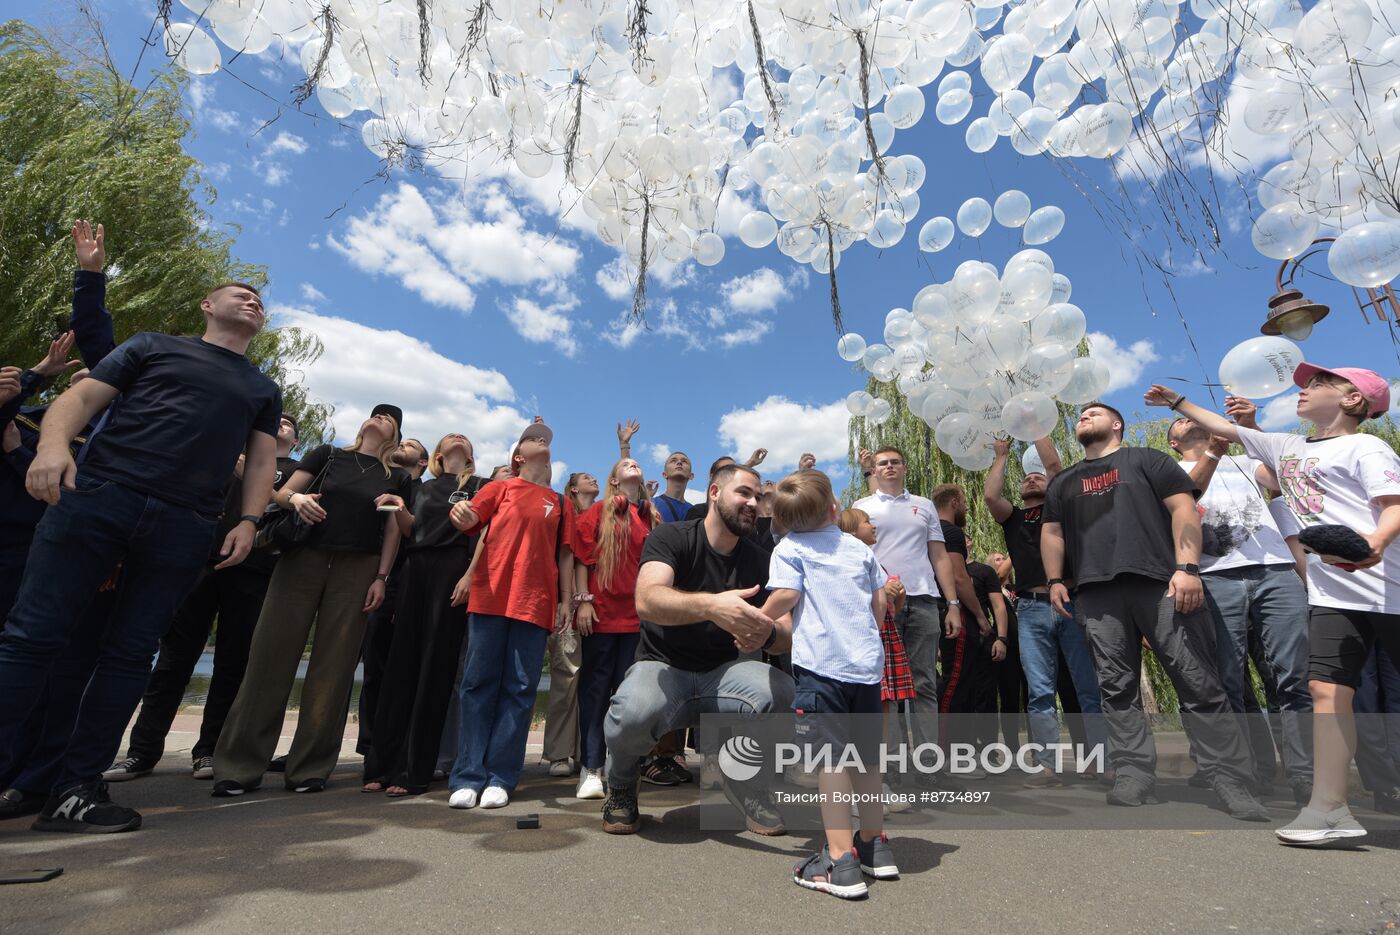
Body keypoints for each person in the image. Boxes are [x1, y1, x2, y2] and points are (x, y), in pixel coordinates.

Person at [0, 279, 281, 833]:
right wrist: (53, 446)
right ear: (206, 305)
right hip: (100, 497)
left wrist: (248, 521)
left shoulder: (262, 387)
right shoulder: (154, 345)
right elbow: (78, 398)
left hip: (185, 523)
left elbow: (259, 463)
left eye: (258, 300)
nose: (252, 301)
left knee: (131, 654)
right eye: (238, 294)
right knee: (31, 637)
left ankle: (76, 791)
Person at [1147, 366, 1400, 845]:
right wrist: (1178, 399)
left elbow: (1391, 505)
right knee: (1324, 693)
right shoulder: (1286, 448)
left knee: (1305, 687)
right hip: (1329, 594)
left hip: (1381, 585)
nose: (1303, 388)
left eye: (1317, 383)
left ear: (1351, 400)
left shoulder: (1366, 447)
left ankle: (1321, 790)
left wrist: (1375, 542)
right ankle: (1327, 806)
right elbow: (1227, 434)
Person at [1040, 402, 1268, 821]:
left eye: (1094, 413)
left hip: (1161, 584)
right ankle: (1133, 772)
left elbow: (1184, 509)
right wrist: (1056, 579)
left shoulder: (1148, 460)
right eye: (1082, 415)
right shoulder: (1065, 482)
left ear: (1116, 423)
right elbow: (1052, 531)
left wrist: (1187, 568)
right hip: (1095, 593)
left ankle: (1229, 778)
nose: (1084, 418)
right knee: (1116, 687)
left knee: (1198, 680)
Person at [212, 405, 414, 796]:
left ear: (394, 437)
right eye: (376, 413)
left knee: (333, 669)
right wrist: (296, 501)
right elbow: (281, 490)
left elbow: (394, 532)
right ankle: (238, 766)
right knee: (269, 657)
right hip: (303, 558)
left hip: (359, 567)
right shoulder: (328, 455)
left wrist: (381, 578)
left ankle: (309, 768)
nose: (380, 418)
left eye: (389, 419)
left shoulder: (397, 477)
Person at [102, 414, 302, 784]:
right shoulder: (226, 455)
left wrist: (259, 482)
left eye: (289, 424)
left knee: (232, 664)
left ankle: (208, 750)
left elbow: (292, 515)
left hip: (254, 570)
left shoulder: (295, 473)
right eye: (278, 419)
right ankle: (141, 752)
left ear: (295, 440)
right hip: (199, 563)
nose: (282, 424)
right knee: (173, 660)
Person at [600, 463, 793, 835]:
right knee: (632, 713)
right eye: (744, 493)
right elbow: (648, 599)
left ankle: (743, 781)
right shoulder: (672, 537)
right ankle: (622, 785)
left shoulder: (760, 559)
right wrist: (712, 605)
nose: (753, 502)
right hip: (662, 668)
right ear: (715, 493)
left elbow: (785, 632)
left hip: (723, 674)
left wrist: (766, 635)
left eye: (757, 496)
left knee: (780, 691)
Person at [1165, 403, 1313, 805]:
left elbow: (1284, 475)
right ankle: (1245, 774)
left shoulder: (1247, 461)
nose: (1188, 420)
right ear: (1174, 442)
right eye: (1179, 421)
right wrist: (1214, 451)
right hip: (1213, 578)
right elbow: (1188, 496)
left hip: (1276, 572)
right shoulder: (1170, 473)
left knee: (1292, 678)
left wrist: (1249, 427)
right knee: (1227, 681)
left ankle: (1305, 776)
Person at [762, 470, 896, 899]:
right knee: (866, 762)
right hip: (866, 669)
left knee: (831, 763)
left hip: (822, 669)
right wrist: (868, 636)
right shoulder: (857, 547)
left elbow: (785, 596)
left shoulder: (788, 548)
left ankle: (840, 861)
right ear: (834, 509)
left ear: (781, 520)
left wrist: (758, 618)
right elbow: (880, 601)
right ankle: (874, 844)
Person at [446, 422, 575, 810]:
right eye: (533, 438)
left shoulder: (559, 501)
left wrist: (566, 600)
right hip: (490, 598)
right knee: (477, 684)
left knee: (520, 690)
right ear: (518, 457)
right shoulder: (498, 487)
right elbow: (472, 521)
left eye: (546, 438)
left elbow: (565, 553)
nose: (541, 440)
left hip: (534, 603)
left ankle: (501, 776)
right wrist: (462, 515)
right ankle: (468, 776)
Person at [365, 433, 486, 796]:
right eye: (450, 436)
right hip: (414, 570)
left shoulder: (479, 486)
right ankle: (381, 765)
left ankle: (412, 770)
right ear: (437, 454)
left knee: (435, 668)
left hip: (451, 570)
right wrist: (398, 507)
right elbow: (409, 530)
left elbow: (486, 534)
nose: (458, 438)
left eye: (464, 437)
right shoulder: (422, 487)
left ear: (469, 455)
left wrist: (469, 575)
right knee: (401, 665)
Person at [984, 437, 1105, 786]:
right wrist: (1002, 455)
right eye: (1026, 478)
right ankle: (1046, 765)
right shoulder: (1014, 518)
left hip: (1071, 602)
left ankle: (1100, 761)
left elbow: (1054, 468)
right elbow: (992, 496)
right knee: (1039, 692)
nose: (1031, 478)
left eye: (1037, 477)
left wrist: (1036, 428)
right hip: (1031, 609)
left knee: (1086, 686)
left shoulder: (1064, 506)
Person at [852, 446, 964, 788]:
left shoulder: (925, 506)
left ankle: (930, 767)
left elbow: (939, 555)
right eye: (882, 463)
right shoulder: (862, 507)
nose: (889, 467)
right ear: (874, 469)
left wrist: (954, 603)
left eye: (895, 462)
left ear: (905, 466)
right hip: (883, 603)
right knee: (889, 689)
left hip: (925, 600)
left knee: (925, 683)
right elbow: (856, 555)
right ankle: (896, 769)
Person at [571, 458, 661, 799]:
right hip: (602, 613)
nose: (633, 463)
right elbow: (582, 558)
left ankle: (619, 765)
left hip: (637, 617)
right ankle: (591, 767)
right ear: (613, 480)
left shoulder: (649, 516)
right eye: (625, 462)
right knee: (595, 691)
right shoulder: (598, 512)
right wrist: (584, 600)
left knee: (630, 697)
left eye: (636, 461)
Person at [357, 435, 428, 785]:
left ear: (425, 462)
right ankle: (370, 750)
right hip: (376, 580)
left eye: (414, 444)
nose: (407, 443)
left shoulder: (426, 493)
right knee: (374, 670)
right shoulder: (382, 481)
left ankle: (398, 755)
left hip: (407, 582)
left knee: (403, 674)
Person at [541, 470, 599, 778]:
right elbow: (572, 558)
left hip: (601, 609)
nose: (594, 480)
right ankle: (559, 752)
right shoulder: (565, 512)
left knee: (593, 682)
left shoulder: (604, 516)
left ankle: (586, 751)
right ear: (573, 488)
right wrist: (575, 599)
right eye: (586, 478)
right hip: (570, 606)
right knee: (566, 676)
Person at [984, 551, 1028, 753]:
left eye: (1004, 558)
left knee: (1032, 698)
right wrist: (1015, 551)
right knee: (1010, 699)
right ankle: (1012, 748)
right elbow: (1000, 575)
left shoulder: (1019, 589)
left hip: (1028, 647)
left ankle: (1039, 751)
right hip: (1008, 650)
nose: (1002, 562)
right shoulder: (993, 591)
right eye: (997, 560)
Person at [654, 451, 695, 523]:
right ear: (664, 474)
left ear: (691, 476)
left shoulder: (695, 511)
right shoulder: (651, 503)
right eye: (673, 461)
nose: (679, 462)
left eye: (684, 461)